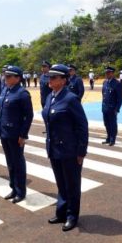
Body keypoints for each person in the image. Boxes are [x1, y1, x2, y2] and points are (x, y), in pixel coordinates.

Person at [42, 64, 88, 232]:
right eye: (49, 77)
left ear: (63, 80)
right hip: (54, 148)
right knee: (61, 183)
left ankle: (71, 216)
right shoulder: (50, 97)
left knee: (72, 184)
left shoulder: (70, 98)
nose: (50, 79)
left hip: (69, 150)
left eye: (53, 77)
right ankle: (61, 212)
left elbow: (82, 126)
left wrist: (81, 150)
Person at [0, 66, 33, 204]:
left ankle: (21, 191)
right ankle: (13, 188)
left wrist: (23, 135)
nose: (5, 78)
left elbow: (28, 116)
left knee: (18, 163)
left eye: (8, 76)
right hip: (4, 133)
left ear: (17, 78)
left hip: (15, 134)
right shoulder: (5, 90)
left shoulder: (22, 93)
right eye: (5, 76)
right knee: (10, 163)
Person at [101, 66, 122, 146]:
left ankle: (112, 139)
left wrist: (117, 109)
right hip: (105, 107)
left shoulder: (117, 84)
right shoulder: (105, 82)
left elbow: (120, 98)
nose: (107, 74)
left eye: (109, 72)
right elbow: (103, 94)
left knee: (112, 124)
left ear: (112, 73)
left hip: (112, 108)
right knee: (106, 123)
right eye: (106, 72)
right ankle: (108, 137)